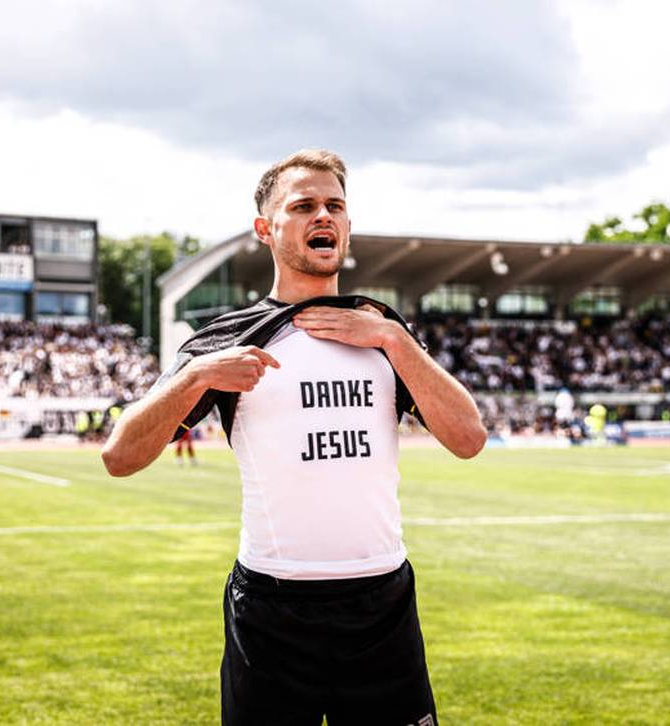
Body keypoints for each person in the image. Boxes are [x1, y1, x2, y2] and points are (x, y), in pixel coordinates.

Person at [102, 149, 486, 725]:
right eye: (303, 206)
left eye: (335, 205)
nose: (323, 216)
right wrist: (199, 375)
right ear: (266, 228)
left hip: (382, 605)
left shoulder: (382, 330)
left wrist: (395, 342)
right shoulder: (230, 338)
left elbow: (468, 437)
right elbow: (120, 455)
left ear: (349, 225)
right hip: (272, 612)